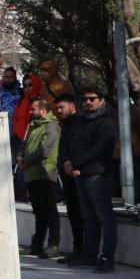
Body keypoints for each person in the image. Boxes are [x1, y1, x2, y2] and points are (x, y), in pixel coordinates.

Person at [61, 86, 118, 272]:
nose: (88, 102)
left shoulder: (106, 121)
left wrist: (76, 163)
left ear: (102, 100)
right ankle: (89, 255)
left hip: (98, 174)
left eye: (92, 99)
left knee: (104, 217)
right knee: (88, 217)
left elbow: (100, 148)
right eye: (85, 99)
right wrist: (70, 163)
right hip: (80, 174)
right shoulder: (80, 120)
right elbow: (71, 142)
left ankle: (107, 257)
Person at [18, 98, 61, 258]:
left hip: (45, 173)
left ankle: (53, 244)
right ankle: (37, 245)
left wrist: (26, 161)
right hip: (32, 174)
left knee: (50, 210)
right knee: (39, 212)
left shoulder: (52, 126)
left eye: (33, 109)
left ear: (43, 110)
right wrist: (20, 157)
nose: (31, 112)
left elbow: (46, 149)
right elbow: (25, 144)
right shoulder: (33, 126)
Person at [53, 93, 85, 261]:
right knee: (73, 212)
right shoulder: (65, 124)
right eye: (57, 108)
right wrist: (64, 162)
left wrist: (73, 163)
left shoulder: (81, 122)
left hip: (79, 172)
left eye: (62, 107)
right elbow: (64, 147)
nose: (59, 111)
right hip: (67, 173)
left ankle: (85, 250)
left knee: (82, 213)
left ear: (72, 106)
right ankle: (77, 248)